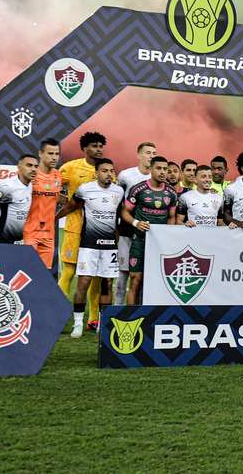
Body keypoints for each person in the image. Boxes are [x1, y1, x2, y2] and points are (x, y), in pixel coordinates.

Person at [56, 159, 123, 338]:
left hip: (110, 247)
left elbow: (118, 219)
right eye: (104, 170)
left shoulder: (119, 191)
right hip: (89, 245)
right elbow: (70, 206)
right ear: (97, 173)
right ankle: (78, 324)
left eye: (111, 170)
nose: (109, 174)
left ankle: (102, 323)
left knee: (107, 284)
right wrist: (53, 219)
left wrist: (118, 246)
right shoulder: (85, 189)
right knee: (83, 282)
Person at [58, 131, 106, 330]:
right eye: (94, 145)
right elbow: (55, 190)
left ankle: (93, 319)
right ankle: (57, 315)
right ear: (84, 148)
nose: (98, 149)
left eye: (101, 146)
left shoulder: (106, 170)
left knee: (95, 275)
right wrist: (67, 202)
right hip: (75, 229)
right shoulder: (70, 168)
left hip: (97, 231)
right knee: (69, 271)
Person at [121, 156, 177, 305]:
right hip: (139, 242)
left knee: (157, 282)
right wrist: (136, 223)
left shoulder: (171, 193)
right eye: (159, 168)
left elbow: (172, 217)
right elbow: (124, 212)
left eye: (165, 169)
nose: (163, 172)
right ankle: (130, 319)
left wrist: (167, 235)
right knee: (135, 280)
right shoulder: (138, 189)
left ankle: (150, 318)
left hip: (159, 246)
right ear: (151, 169)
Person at [114, 142, 156, 305]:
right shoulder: (126, 175)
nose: (151, 155)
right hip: (127, 230)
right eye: (148, 152)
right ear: (138, 155)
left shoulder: (157, 177)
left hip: (148, 234)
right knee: (123, 273)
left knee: (141, 275)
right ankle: (118, 308)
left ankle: (138, 311)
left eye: (154, 152)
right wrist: (116, 228)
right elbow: (119, 203)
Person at [0, 154, 37, 243]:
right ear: (19, 167)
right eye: (29, 165)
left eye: (36, 166)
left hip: (20, 242)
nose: (33, 169)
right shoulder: (8, 187)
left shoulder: (33, 186)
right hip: (1, 240)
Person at [23, 139, 61, 269]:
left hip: (48, 235)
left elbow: (54, 196)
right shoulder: (30, 175)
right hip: (30, 232)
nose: (54, 157)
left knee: (43, 274)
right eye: (50, 153)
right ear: (40, 153)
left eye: (57, 154)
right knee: (28, 271)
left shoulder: (58, 175)